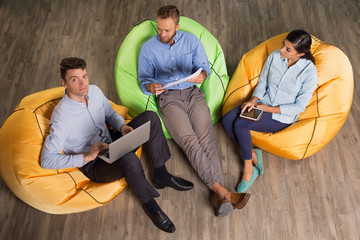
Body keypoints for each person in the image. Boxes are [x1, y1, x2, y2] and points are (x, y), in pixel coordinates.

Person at [41, 57, 195, 233]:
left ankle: (161, 174)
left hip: (112, 143)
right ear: (64, 83)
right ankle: (151, 205)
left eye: (84, 76)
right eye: (74, 79)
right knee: (129, 160)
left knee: (151, 118)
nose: (82, 83)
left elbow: (109, 114)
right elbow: (47, 160)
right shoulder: (61, 117)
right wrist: (88, 156)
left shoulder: (95, 91)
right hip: (95, 163)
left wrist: (122, 126)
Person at [138, 5, 250, 217]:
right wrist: (150, 86)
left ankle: (220, 197)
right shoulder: (148, 49)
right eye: (159, 29)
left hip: (193, 94)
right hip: (169, 99)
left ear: (177, 27)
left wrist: (202, 76)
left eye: (167, 30)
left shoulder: (191, 41)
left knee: (207, 140)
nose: (161, 34)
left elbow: (203, 68)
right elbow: (143, 80)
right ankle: (222, 192)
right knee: (190, 142)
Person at [222, 30, 318, 192]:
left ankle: (248, 167)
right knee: (227, 119)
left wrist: (266, 108)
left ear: (301, 54)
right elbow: (263, 83)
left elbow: (299, 106)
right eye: (283, 45)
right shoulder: (274, 56)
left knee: (240, 124)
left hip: (281, 116)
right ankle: (253, 153)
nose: (281, 50)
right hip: (262, 103)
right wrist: (253, 100)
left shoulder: (309, 73)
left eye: (288, 49)